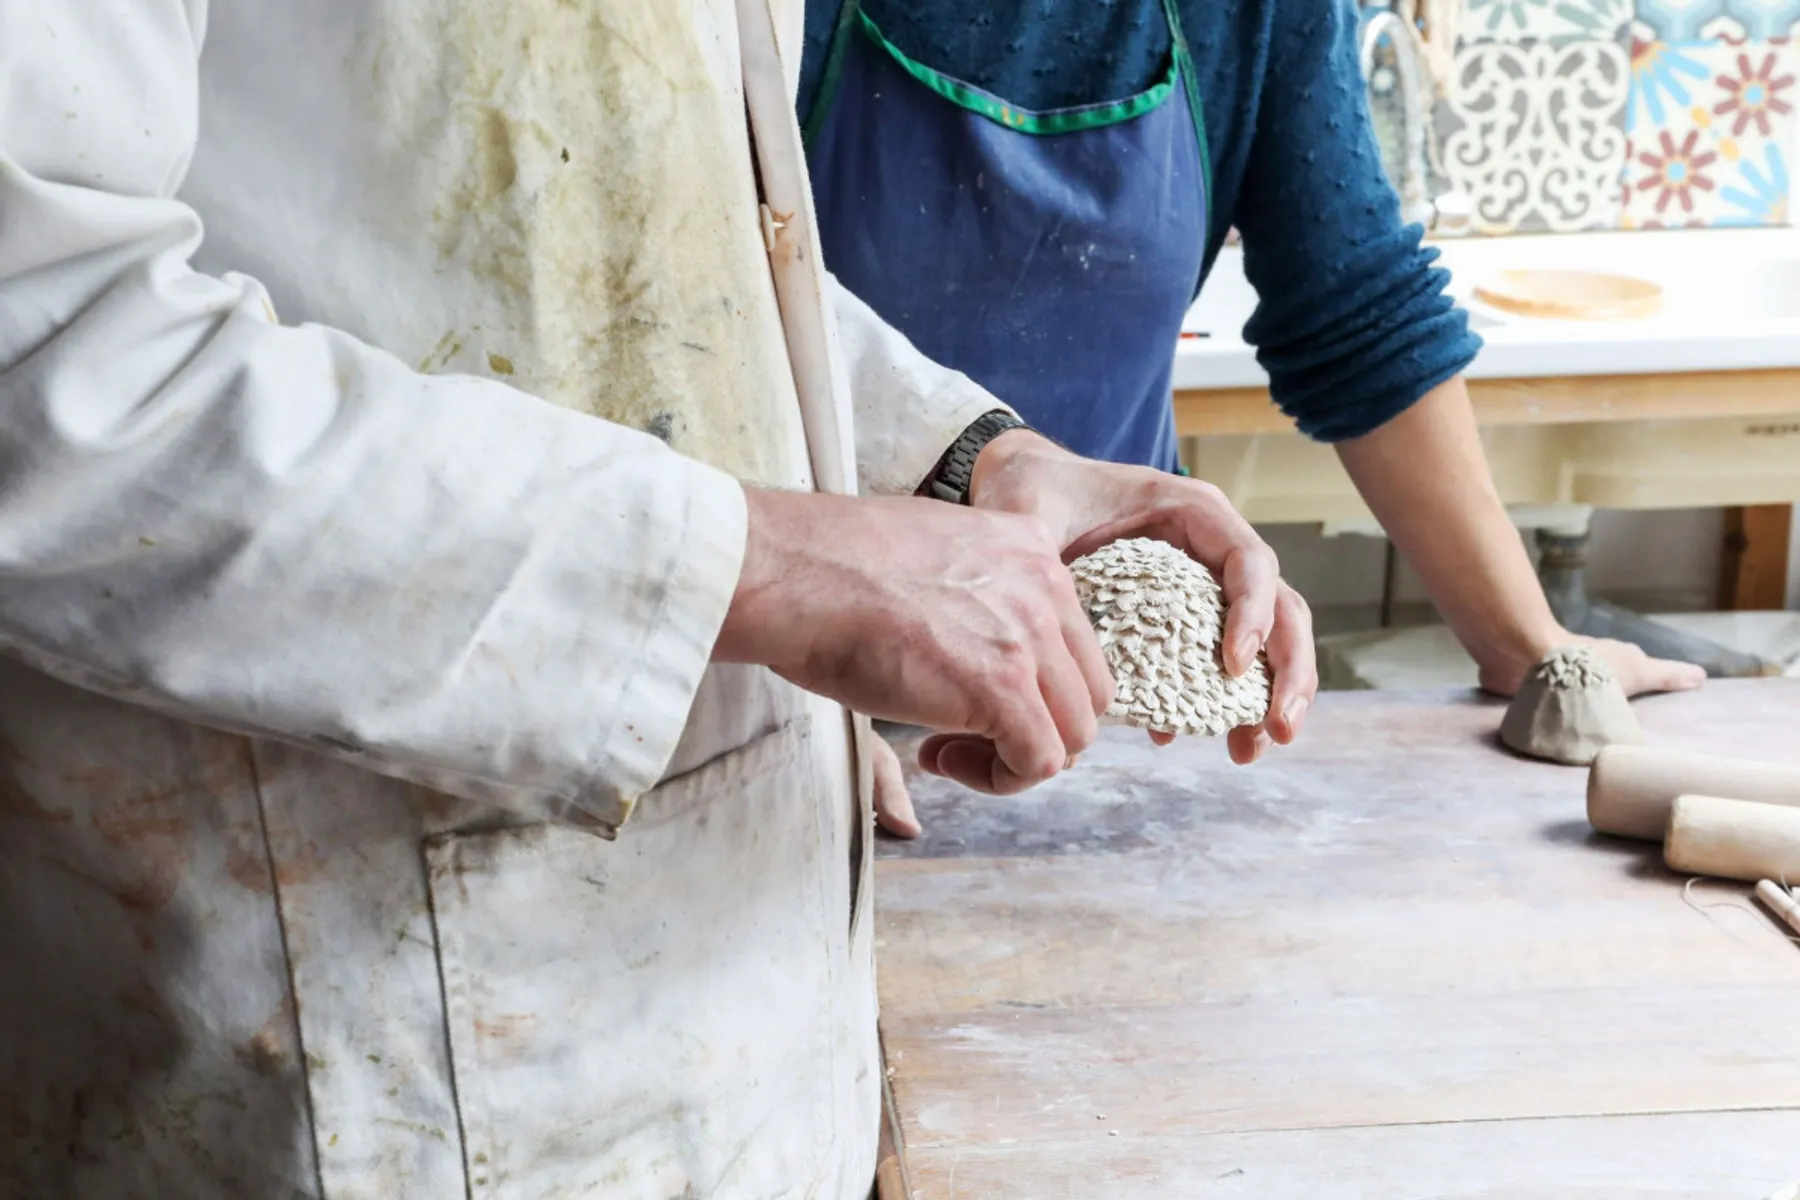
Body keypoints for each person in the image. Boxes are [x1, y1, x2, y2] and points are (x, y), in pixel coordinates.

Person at [0, 2, 1316, 1195]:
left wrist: (963, 457)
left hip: (757, 1041)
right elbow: (44, 350)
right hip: (363, 1057)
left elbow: (656, 243)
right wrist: (771, 565)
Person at [798, 0, 1709, 836]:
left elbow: (1354, 311)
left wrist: (1527, 645)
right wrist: (785, 685)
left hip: (1120, 676)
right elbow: (723, 336)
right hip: (810, 641)